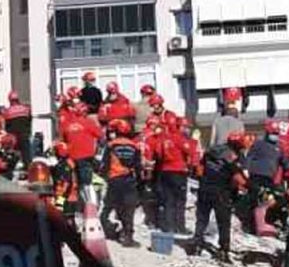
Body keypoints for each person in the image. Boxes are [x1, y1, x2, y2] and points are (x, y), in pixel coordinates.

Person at [189, 132, 249, 262]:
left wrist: (204, 179)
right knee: (223, 222)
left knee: (202, 219)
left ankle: (196, 245)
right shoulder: (234, 156)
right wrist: (249, 187)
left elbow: (200, 167)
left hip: (204, 188)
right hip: (221, 192)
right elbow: (239, 178)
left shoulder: (212, 150)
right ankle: (223, 251)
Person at [100, 119, 142, 247]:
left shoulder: (111, 145)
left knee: (108, 207)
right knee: (128, 209)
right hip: (128, 181)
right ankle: (128, 237)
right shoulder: (135, 146)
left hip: (114, 180)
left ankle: (104, 230)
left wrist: (104, 176)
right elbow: (138, 166)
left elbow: (104, 165)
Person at [241, 121, 288, 234]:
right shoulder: (258, 144)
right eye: (273, 133)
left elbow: (285, 163)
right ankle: (250, 226)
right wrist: (245, 169)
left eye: (276, 133)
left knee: (269, 201)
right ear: (267, 133)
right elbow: (249, 157)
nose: (275, 135)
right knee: (254, 200)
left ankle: (266, 224)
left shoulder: (279, 147)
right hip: (256, 176)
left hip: (269, 179)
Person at [150, 120, 192, 234]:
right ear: (180, 127)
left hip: (165, 171)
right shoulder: (180, 138)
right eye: (186, 127)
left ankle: (169, 227)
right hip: (178, 171)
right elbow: (190, 151)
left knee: (168, 200)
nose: (188, 130)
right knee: (180, 201)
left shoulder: (163, 139)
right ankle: (180, 227)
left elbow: (158, 153)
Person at [60, 101, 103, 195]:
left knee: (78, 183)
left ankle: (83, 205)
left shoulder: (67, 124)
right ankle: (91, 205)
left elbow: (63, 140)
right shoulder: (88, 122)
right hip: (86, 157)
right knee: (87, 183)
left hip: (71, 157)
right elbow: (101, 135)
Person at [2, 91, 33, 161]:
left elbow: (6, 125)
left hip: (13, 138)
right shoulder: (26, 109)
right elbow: (29, 121)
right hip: (25, 135)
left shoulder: (8, 111)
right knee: (26, 156)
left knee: (11, 157)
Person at [50, 140, 79, 214]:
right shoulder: (71, 162)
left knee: (64, 219)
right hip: (71, 196)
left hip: (65, 197)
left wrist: (60, 200)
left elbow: (66, 182)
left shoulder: (63, 165)